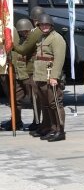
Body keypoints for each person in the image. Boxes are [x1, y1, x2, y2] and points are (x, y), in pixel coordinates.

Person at [15, 13, 67, 141]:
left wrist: (54, 76)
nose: (44, 27)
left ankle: (60, 130)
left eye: (47, 24)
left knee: (55, 103)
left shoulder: (56, 38)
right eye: (42, 25)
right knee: (45, 104)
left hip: (50, 76)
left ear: (51, 25)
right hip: (40, 76)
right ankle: (51, 128)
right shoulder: (42, 38)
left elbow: (59, 59)